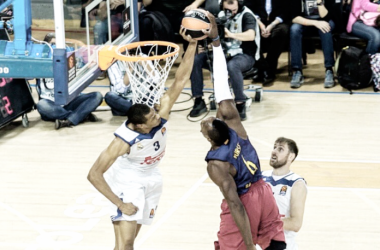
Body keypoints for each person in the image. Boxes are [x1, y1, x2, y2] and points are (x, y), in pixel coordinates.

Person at [87, 27, 198, 250]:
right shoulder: (123, 141)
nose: (159, 116)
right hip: (128, 182)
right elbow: (93, 174)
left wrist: (192, 44)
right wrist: (118, 203)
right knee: (126, 243)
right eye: (153, 117)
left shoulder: (159, 114)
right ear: (139, 125)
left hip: (152, 178)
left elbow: (181, 79)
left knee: (127, 245)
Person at [200, 12, 285, 250]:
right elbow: (222, 86)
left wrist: (248, 245)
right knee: (275, 242)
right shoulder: (234, 124)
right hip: (263, 191)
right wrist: (216, 42)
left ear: (209, 139)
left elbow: (235, 204)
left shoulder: (216, 164)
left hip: (244, 200)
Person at [189, 0, 260, 120]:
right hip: (224, 53)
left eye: (232, 4)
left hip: (245, 55)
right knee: (196, 60)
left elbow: (250, 35)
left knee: (232, 66)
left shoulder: (247, 15)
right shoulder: (221, 15)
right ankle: (198, 100)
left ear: (239, 4)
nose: (229, 9)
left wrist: (230, 34)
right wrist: (207, 44)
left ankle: (240, 103)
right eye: (227, 4)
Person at [35, 33, 103, 130]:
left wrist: (87, 68)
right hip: (51, 104)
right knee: (42, 105)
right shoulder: (38, 60)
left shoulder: (69, 57)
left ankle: (70, 118)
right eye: (54, 45)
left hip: (69, 101)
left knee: (97, 96)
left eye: (59, 44)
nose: (57, 48)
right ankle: (79, 116)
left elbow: (81, 72)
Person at [261, 137, 308, 250]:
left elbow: (296, 223)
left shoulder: (297, 183)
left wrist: (266, 223)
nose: (274, 151)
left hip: (284, 245)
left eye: (280, 149)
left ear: (290, 156)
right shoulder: (261, 177)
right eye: (274, 147)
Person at [289, 0, 336, 88]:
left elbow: (326, 17)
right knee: (294, 30)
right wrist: (315, 23)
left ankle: (329, 69)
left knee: (326, 29)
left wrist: (319, 2)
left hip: (323, 20)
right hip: (305, 22)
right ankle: (297, 70)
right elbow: (294, 18)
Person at [249, 0, 291, 86]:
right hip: (258, 21)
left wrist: (271, 25)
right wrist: (260, 25)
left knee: (281, 31)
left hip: (278, 21)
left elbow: (287, 10)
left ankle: (268, 68)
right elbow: (249, 9)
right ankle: (262, 66)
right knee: (250, 32)